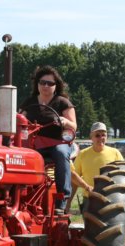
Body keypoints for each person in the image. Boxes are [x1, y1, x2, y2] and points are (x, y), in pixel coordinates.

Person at [18, 65, 77, 212]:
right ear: (37, 84)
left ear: (56, 86)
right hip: (34, 145)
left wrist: (65, 121)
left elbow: (73, 126)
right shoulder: (29, 102)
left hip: (59, 142)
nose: (45, 86)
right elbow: (18, 119)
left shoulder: (62, 102)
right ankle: (20, 197)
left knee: (61, 152)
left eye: (50, 83)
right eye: (42, 82)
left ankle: (62, 199)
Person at [72, 122, 123, 212]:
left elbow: (122, 177)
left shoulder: (115, 153)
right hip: (89, 199)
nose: (101, 138)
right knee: (89, 226)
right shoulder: (82, 154)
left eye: (103, 135)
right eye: (97, 135)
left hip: (111, 199)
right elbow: (74, 178)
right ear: (91, 137)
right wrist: (68, 202)